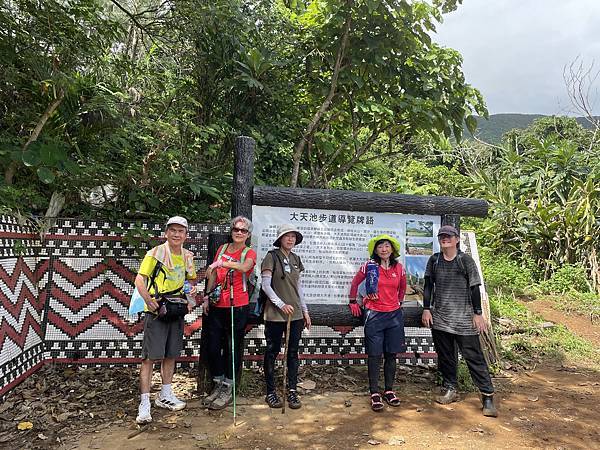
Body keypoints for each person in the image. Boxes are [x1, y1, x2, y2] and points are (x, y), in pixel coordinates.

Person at [421, 225, 498, 417]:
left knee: (474, 357)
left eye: (448, 236)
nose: (445, 239)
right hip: (440, 318)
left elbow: (474, 288)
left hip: (463, 319)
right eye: (442, 236)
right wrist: (426, 309)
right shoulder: (435, 260)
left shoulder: (465, 261)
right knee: (446, 357)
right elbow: (429, 286)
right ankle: (450, 388)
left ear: (457, 239)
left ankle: (487, 395)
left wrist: (477, 313)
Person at [134, 216, 197, 425]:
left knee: (171, 353)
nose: (177, 234)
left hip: (176, 310)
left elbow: (190, 281)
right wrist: (148, 300)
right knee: (150, 357)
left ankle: (165, 394)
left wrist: (190, 299)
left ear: (186, 235)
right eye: (173, 230)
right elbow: (139, 279)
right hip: (157, 311)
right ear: (166, 233)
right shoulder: (155, 253)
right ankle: (145, 402)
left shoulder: (188, 256)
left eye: (181, 231)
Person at [202, 216, 256, 410]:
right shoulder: (223, 249)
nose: (239, 233)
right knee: (214, 346)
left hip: (238, 305)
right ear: (231, 231)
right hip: (218, 304)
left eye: (243, 230)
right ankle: (217, 383)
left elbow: (244, 268)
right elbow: (214, 275)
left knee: (232, 347)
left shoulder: (249, 252)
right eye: (236, 229)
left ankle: (228, 386)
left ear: (248, 235)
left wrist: (223, 264)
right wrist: (207, 296)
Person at [349, 234, 407, 412]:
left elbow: (403, 287)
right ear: (375, 250)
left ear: (392, 249)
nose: (384, 249)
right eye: (380, 246)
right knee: (374, 355)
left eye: (387, 246)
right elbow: (355, 282)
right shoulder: (369, 266)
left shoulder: (399, 267)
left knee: (391, 354)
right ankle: (374, 392)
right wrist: (353, 301)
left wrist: (398, 301)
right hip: (374, 314)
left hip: (394, 316)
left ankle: (389, 390)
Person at [261, 224, 311, 409]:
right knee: (272, 351)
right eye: (286, 236)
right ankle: (271, 391)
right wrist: (281, 304)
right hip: (275, 313)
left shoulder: (296, 259)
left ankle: (291, 390)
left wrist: (305, 311)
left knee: (292, 353)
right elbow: (266, 285)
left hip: (295, 314)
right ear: (280, 239)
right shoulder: (271, 257)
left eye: (293, 236)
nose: (290, 239)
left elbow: (298, 288)